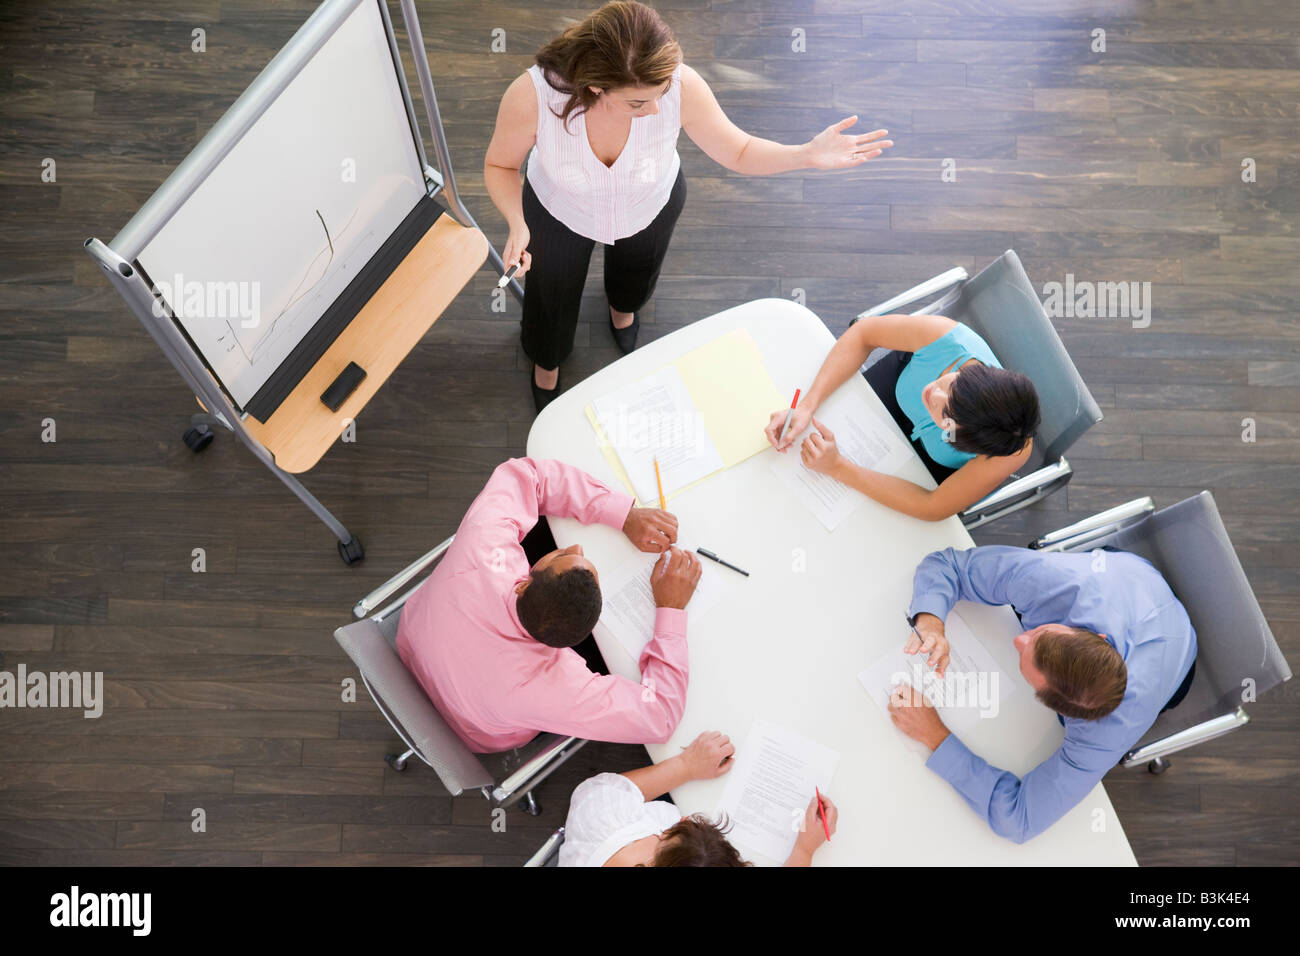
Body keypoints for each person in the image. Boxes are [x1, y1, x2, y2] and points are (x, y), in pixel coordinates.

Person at [483, 0, 893, 411]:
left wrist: (804, 154)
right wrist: (517, 224)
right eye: (638, 103)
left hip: (650, 204)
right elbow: (501, 164)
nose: (658, 109)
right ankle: (548, 360)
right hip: (557, 212)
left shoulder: (680, 85)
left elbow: (740, 150)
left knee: (636, 275)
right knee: (549, 296)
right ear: (595, 87)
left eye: (660, 93)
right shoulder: (533, 95)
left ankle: (623, 309)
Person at [886, 545, 1198, 844]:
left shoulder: (1104, 734)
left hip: (1178, 653)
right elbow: (948, 564)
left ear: (1054, 705)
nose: (1019, 639)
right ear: (1094, 634)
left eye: (1027, 653)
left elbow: (1019, 820)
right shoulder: (1052, 581)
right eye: (1039, 633)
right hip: (1130, 577)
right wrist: (931, 622)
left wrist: (936, 736)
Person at [396, 457, 702, 752]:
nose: (576, 546)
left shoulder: (484, 545)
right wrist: (671, 609)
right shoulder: (553, 686)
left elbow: (524, 475)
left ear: (526, 583)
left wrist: (623, 514)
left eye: (564, 554)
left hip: (412, 640)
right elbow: (659, 718)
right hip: (469, 730)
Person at [764, 313, 1041, 521]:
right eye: (953, 384)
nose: (934, 394)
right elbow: (863, 334)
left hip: (921, 468)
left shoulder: (1010, 451)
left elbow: (932, 507)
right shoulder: (949, 339)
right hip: (890, 396)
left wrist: (837, 467)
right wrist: (807, 406)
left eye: (946, 417)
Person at [558, 731, 838, 866]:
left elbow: (599, 792)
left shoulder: (601, 818)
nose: (683, 818)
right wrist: (802, 851)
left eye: (671, 832)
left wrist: (685, 766)